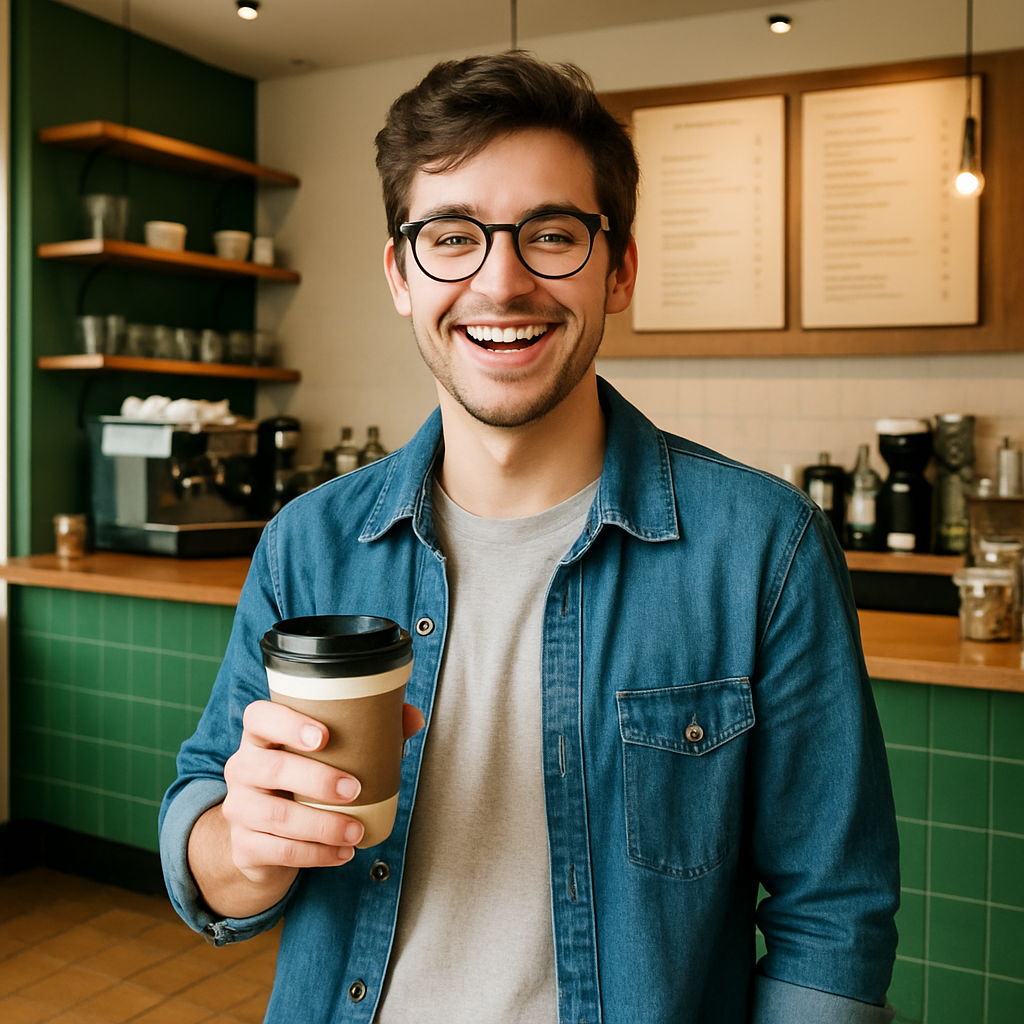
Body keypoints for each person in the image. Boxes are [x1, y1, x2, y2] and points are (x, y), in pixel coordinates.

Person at [160, 52, 900, 1024]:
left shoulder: (767, 548)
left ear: (619, 267)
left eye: (550, 235)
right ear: (399, 273)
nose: (500, 282)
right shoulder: (309, 540)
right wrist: (242, 846)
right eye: (451, 236)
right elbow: (210, 834)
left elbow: (832, 919)